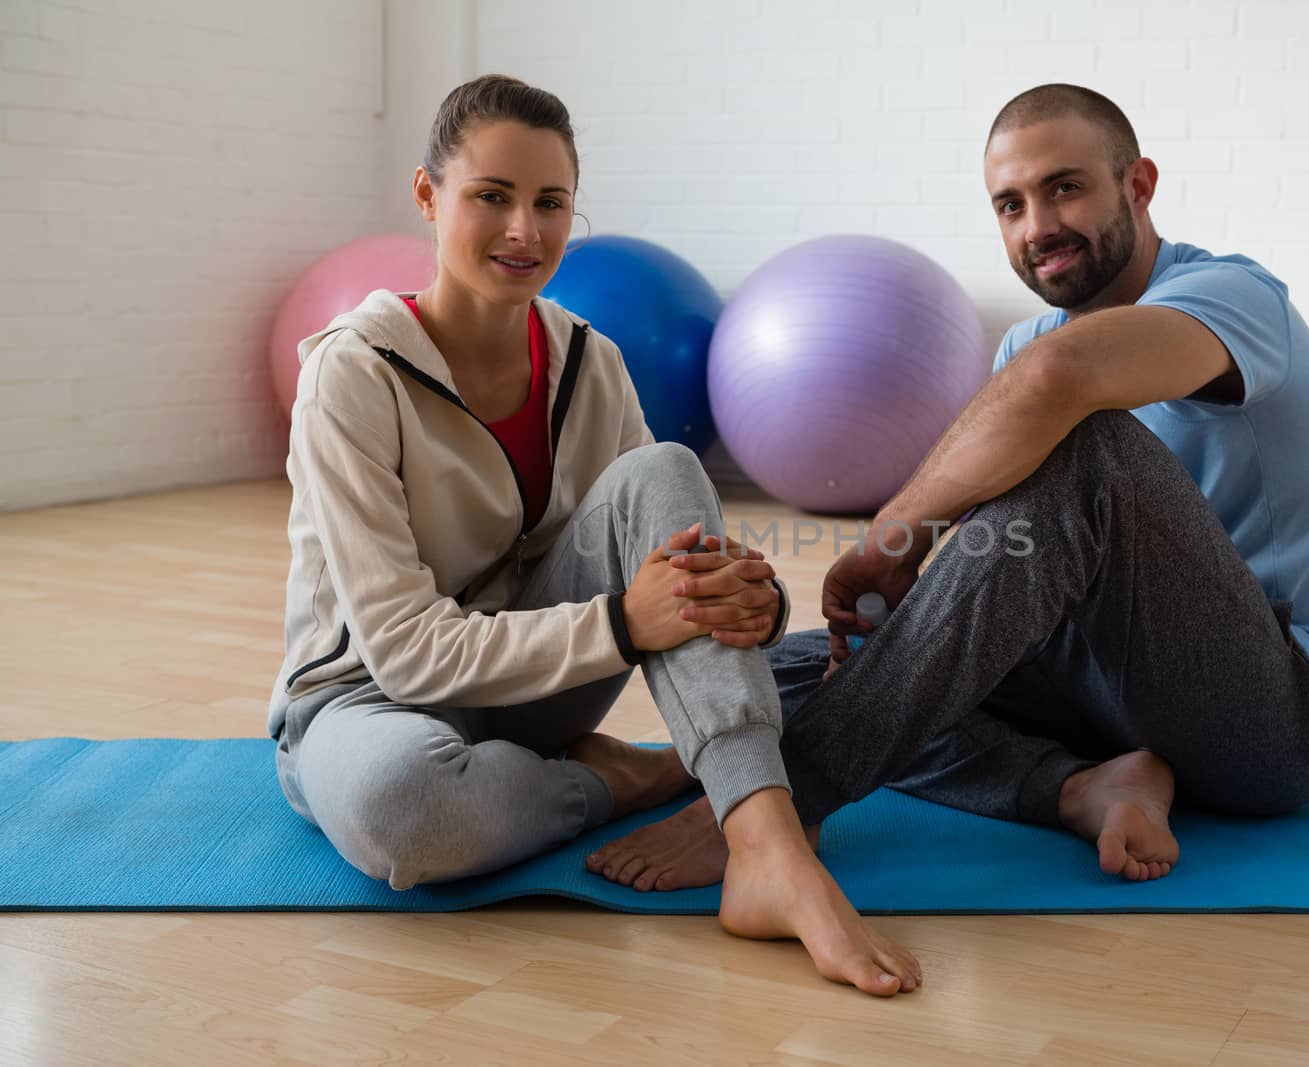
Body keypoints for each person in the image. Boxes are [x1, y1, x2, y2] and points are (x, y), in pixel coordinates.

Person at [588, 83, 1309, 891]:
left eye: (1065, 188)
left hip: (1273, 717)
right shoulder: (1027, 343)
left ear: (1138, 186)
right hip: (1101, 698)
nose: (1038, 227)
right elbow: (996, 561)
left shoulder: (1234, 298)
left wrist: (891, 535)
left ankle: (779, 810)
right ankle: (1081, 788)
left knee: (1089, 445)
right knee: (797, 673)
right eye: (1010, 205)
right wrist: (889, 623)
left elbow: (1064, 381)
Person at [268, 74, 920, 997]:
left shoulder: (589, 359)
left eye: (550, 202)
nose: (524, 232)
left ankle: (764, 845)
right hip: (367, 699)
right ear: (427, 196)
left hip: (538, 690)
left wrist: (756, 598)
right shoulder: (353, 375)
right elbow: (408, 651)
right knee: (402, 812)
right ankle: (616, 781)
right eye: (491, 197)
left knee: (663, 471)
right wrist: (623, 625)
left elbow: (666, 543)